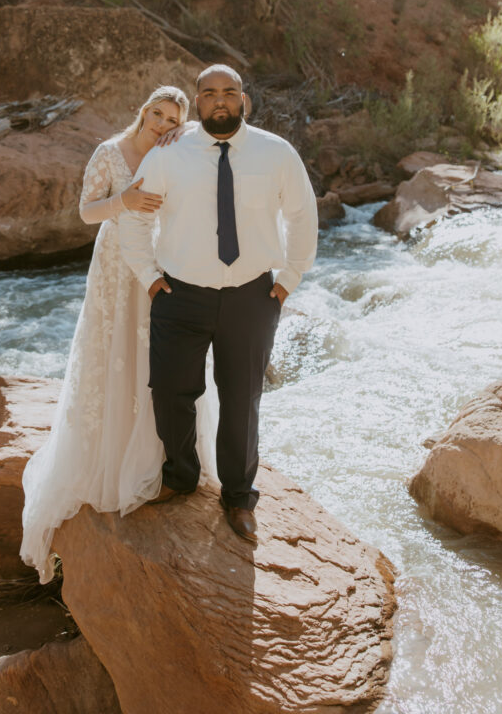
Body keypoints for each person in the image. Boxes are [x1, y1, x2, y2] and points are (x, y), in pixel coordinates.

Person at [20, 85, 217, 584]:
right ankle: (109, 458)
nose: (161, 125)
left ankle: (161, 457)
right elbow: (86, 212)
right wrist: (123, 200)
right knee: (114, 354)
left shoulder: (177, 149)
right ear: (142, 110)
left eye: (171, 120)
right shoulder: (110, 152)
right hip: (113, 265)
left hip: (161, 260)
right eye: (156, 114)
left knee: (158, 360)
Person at [119, 65, 318, 544]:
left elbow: (303, 214)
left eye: (230, 92)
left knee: (241, 401)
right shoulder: (170, 154)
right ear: (198, 103)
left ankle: (238, 497)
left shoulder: (276, 153)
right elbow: (134, 219)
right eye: (209, 94)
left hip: (252, 296)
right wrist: (149, 279)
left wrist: (288, 281)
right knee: (169, 390)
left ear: (244, 100)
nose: (220, 101)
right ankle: (181, 475)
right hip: (179, 294)